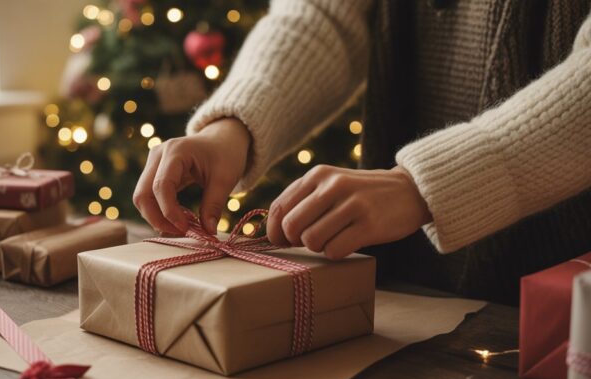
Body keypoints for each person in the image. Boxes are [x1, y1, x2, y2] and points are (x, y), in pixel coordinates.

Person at [133, 1, 591, 304]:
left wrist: (421, 186)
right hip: (401, 295)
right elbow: (324, 13)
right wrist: (231, 129)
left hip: (564, 314)